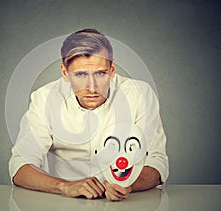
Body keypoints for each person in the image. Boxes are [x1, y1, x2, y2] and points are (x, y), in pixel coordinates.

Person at [9, 29, 169, 201]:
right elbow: (20, 167)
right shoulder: (44, 99)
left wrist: (126, 185)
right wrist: (65, 186)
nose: (92, 87)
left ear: (112, 69)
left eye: (100, 73)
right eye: (80, 74)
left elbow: (157, 162)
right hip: (63, 203)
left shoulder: (139, 95)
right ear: (65, 72)